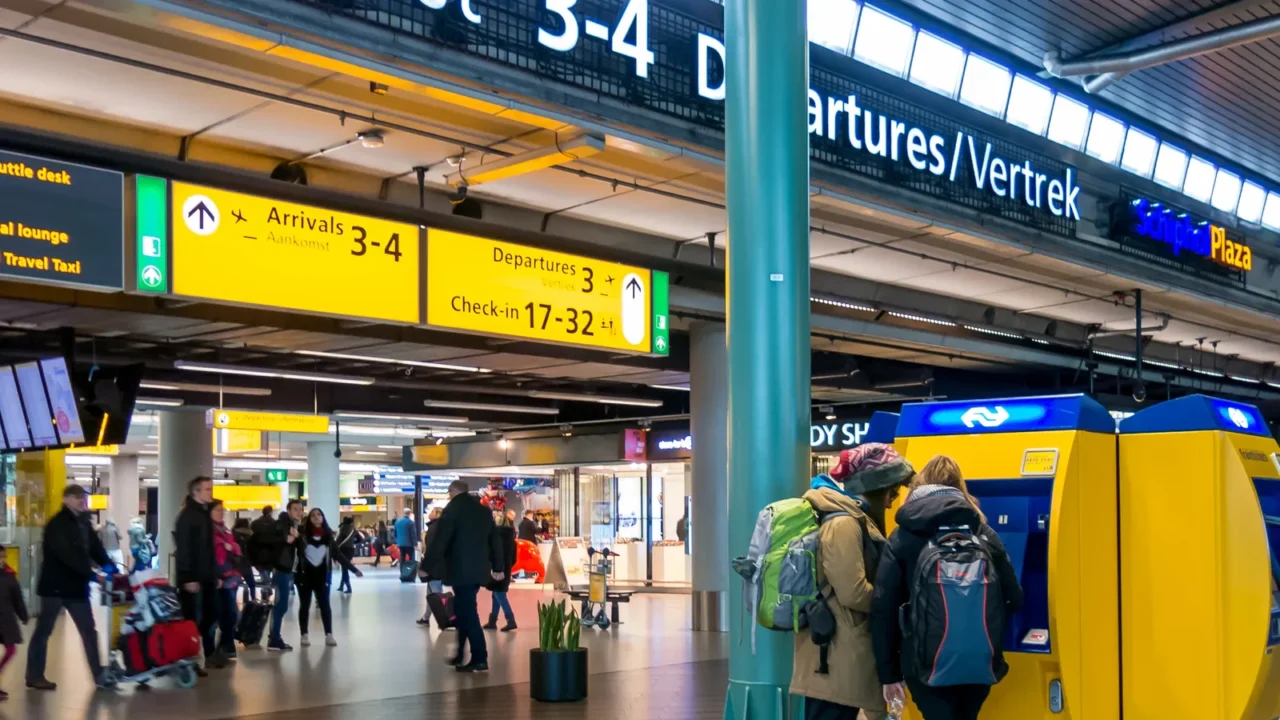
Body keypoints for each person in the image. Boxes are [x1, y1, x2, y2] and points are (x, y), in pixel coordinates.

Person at [871, 455, 1023, 720]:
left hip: (922, 663)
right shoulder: (983, 533)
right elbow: (1015, 598)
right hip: (979, 660)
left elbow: (883, 608)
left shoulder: (903, 536)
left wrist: (889, 673)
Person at [791, 443, 915, 720]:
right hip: (835, 653)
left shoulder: (854, 518)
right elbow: (853, 592)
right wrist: (892, 603)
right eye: (892, 489)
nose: (893, 498)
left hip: (844, 648)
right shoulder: (843, 524)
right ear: (876, 486)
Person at [26, 484, 115, 691]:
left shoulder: (84, 523)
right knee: (44, 632)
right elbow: (68, 557)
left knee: (89, 631)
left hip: (76, 589)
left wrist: (108, 565)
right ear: (65, 499)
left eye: (82, 497)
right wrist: (93, 575)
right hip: (55, 588)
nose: (80, 501)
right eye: (75, 497)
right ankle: (34, 675)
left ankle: (99, 675)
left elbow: (95, 548)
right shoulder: (57, 524)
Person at [423, 481, 503, 672]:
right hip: (479, 570)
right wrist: (498, 567)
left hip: (460, 569)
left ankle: (480, 657)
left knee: (468, 613)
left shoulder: (452, 511)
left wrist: (427, 566)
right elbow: (494, 540)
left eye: (449, 491)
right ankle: (460, 654)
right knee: (463, 609)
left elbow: (440, 541)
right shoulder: (483, 511)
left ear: (453, 491)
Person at [294, 508, 362, 647]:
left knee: (325, 605)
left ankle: (329, 634)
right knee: (305, 605)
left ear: (323, 517)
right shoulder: (302, 536)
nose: (316, 517)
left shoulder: (328, 536)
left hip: (322, 576)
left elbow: (337, 555)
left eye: (319, 514)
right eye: (313, 515)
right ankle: (304, 634)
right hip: (304, 576)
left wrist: (353, 569)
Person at [174, 475, 221, 673]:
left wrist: (215, 574)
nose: (211, 492)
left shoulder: (204, 515)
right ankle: (192, 660)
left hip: (207, 576)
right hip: (193, 578)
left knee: (211, 614)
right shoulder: (186, 517)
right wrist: (187, 577)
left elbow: (209, 549)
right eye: (207, 489)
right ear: (196, 492)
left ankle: (200, 654)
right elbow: (184, 550)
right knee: (192, 618)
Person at [258, 499, 304, 651]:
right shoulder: (283, 524)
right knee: (280, 605)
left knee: (282, 605)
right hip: (281, 570)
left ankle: (275, 637)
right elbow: (274, 539)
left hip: (287, 570)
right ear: (289, 511)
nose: (299, 512)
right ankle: (274, 639)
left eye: (300, 509)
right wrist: (287, 537)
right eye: (295, 509)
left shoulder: (295, 526)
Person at [210, 500, 242, 661]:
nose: (221, 512)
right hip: (218, 577)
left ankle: (227, 646)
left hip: (230, 576)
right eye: (217, 510)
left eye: (222, 510)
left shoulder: (225, 529)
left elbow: (237, 548)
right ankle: (221, 648)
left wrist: (231, 547)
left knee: (230, 614)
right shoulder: (210, 531)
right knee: (224, 614)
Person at [0, 547, 28, 700]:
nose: (1, 560)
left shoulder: (9, 576)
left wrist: (23, 615)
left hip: (6, 620)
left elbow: (17, 599)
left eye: (3, 557)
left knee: (11, 650)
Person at [485, 511, 518, 632]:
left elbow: (492, 554)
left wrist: (495, 567)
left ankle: (511, 619)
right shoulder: (512, 540)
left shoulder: (495, 538)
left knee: (499, 594)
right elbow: (514, 558)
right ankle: (492, 621)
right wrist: (507, 566)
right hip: (507, 569)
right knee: (496, 593)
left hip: (498, 569)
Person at [417, 507, 444, 627]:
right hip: (436, 566)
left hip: (434, 566)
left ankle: (444, 619)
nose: (430, 513)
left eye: (433, 512)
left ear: (438, 514)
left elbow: (432, 549)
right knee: (431, 593)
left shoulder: (435, 528)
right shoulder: (438, 527)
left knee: (436, 594)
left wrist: (425, 565)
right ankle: (426, 617)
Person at [248, 506, 276, 601]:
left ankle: (266, 589)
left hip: (258, 552)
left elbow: (251, 537)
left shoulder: (255, 523)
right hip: (270, 553)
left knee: (262, 571)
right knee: (267, 571)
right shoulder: (274, 523)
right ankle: (267, 588)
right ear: (271, 512)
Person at [334, 517, 360, 594]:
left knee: (344, 569)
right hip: (351, 550)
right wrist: (352, 542)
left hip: (343, 550)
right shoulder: (353, 530)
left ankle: (349, 588)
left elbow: (338, 540)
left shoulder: (342, 528)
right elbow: (360, 539)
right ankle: (342, 586)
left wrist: (335, 548)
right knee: (345, 568)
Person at [232, 517, 255, 602]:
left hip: (236, 563)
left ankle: (233, 603)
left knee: (235, 585)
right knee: (252, 584)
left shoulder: (232, 534)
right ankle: (253, 601)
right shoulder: (250, 535)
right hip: (245, 563)